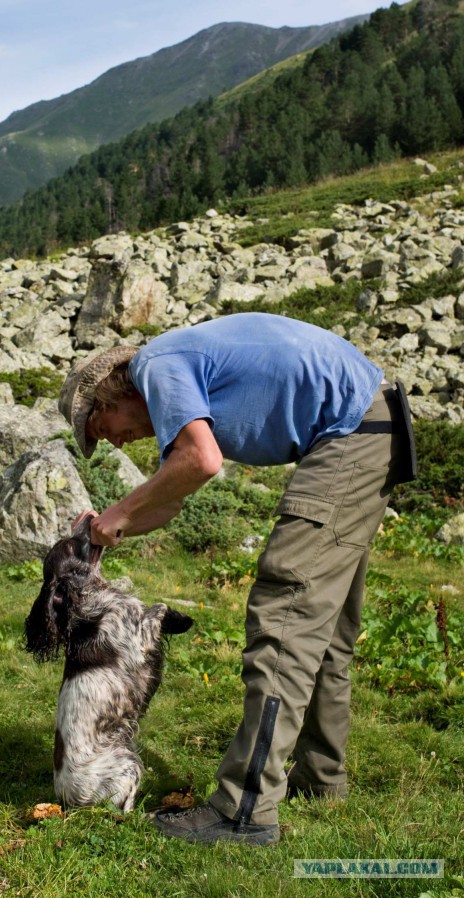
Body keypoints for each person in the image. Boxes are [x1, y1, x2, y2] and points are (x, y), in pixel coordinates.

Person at [57, 312, 415, 846]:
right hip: (368, 426)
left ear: (108, 400)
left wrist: (119, 514)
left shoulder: (156, 365)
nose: (113, 443)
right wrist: (109, 526)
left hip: (350, 435)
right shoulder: (176, 382)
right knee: (326, 632)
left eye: (101, 431)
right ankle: (321, 781)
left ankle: (242, 810)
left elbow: (202, 462)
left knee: (284, 619)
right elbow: (172, 497)